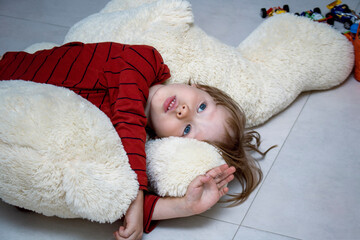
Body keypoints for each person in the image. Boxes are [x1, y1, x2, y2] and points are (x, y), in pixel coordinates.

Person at [0, 42, 273, 240]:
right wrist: (137, 196)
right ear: (198, 88)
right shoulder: (143, 60)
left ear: (173, 144)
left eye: (187, 129)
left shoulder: (133, 149)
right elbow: (128, 116)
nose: (183, 112)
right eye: (201, 106)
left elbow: (116, 195)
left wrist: (184, 206)